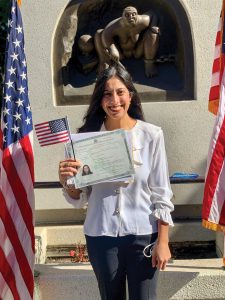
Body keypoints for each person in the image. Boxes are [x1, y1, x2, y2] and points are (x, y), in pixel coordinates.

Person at [58, 64, 174, 300]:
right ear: (100, 101)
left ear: (130, 95)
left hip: (143, 233)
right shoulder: (86, 139)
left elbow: (162, 193)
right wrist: (67, 182)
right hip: (101, 236)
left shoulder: (152, 135)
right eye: (107, 94)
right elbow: (80, 197)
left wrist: (163, 241)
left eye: (120, 92)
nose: (114, 100)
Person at [94, 6, 159, 77]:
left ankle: (149, 64)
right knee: (99, 33)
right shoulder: (115, 25)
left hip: (137, 52)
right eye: (127, 15)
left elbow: (153, 14)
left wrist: (153, 26)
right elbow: (105, 35)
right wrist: (112, 48)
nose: (131, 17)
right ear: (122, 17)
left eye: (133, 14)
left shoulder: (142, 21)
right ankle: (105, 62)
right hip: (120, 54)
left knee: (152, 34)